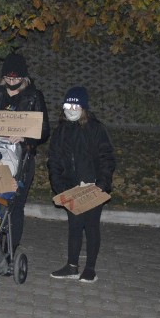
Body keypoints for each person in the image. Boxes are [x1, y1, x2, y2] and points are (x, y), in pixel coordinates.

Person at [0, 52, 50, 251]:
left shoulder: (34, 96)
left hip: (20, 156)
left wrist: (26, 137)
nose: (12, 81)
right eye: (8, 77)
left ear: (24, 77)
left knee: (15, 204)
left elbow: (44, 129)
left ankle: (10, 249)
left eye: (16, 78)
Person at [47, 86, 116, 283]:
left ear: (84, 108)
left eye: (75, 105)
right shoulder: (61, 131)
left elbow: (107, 157)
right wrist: (58, 184)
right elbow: (54, 159)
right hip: (71, 187)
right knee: (75, 226)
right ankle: (72, 265)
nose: (71, 109)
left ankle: (90, 268)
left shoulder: (95, 129)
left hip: (93, 187)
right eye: (68, 105)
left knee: (91, 226)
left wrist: (101, 183)